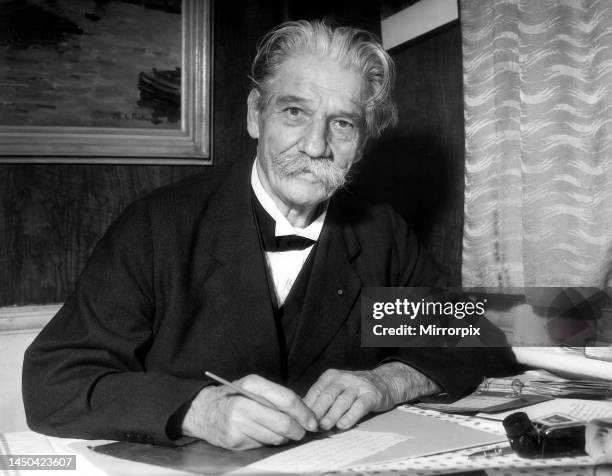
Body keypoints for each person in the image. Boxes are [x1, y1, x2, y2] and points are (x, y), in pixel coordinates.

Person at [22, 19, 517, 450]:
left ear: (362, 143)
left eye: (341, 123)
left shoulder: (380, 233)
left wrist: (390, 380)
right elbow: (55, 381)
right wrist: (199, 410)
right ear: (255, 114)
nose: (316, 145)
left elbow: (484, 334)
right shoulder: (158, 226)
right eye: (294, 112)